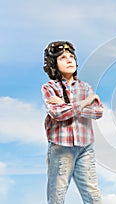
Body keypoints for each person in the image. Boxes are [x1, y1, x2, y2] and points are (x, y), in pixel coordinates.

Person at [41, 41, 103, 204]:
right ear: (53, 64)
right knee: (57, 196)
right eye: (63, 58)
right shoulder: (49, 88)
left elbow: (98, 112)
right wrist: (84, 102)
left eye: (71, 57)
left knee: (93, 195)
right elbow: (58, 113)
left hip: (85, 148)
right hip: (61, 148)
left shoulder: (85, 87)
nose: (69, 60)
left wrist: (67, 105)